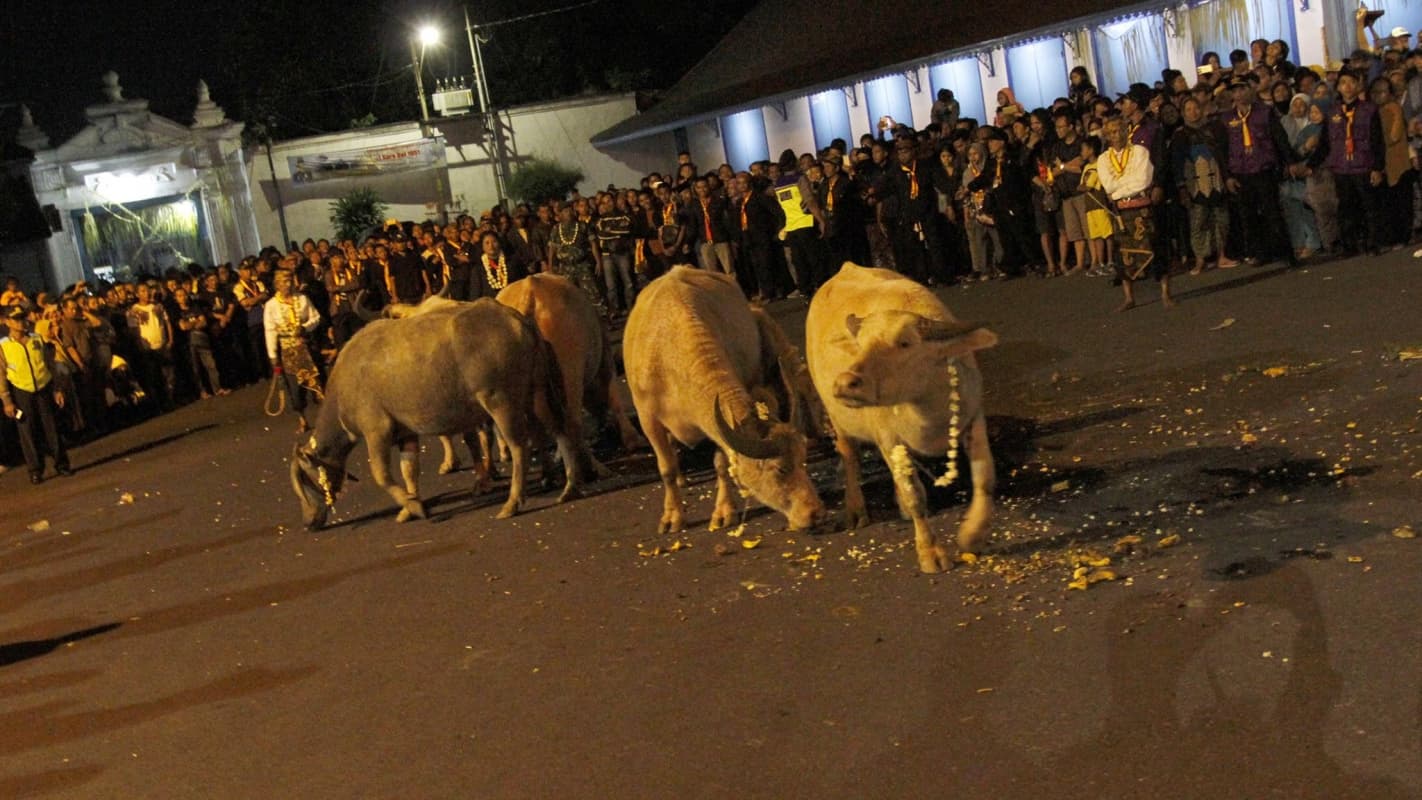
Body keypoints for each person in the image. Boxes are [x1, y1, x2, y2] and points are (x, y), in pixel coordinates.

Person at [1097, 117, 1173, 311]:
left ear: (1126, 131)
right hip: (1121, 212)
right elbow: (1108, 185)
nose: (1116, 135)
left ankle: (1165, 293)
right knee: (1123, 253)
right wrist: (1122, 188)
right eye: (1111, 132)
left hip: (1142, 207)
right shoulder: (1103, 159)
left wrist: (1119, 189)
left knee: (1155, 246)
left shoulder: (1140, 151)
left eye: (1119, 130)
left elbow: (1142, 180)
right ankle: (1129, 297)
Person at [1, 306, 71, 483]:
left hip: (43, 386)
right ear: (7, 322)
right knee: (27, 431)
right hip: (21, 390)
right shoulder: (3, 345)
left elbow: (50, 364)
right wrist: (7, 400)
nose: (21, 322)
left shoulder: (36, 339)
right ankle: (35, 470)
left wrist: (57, 389)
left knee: (51, 427)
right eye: (16, 319)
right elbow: (1, 374)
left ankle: (61, 464)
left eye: (23, 318)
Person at [264, 269, 323, 433]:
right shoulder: (271, 306)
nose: (288, 284)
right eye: (284, 281)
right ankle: (302, 420)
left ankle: (325, 419)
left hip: (307, 347)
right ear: (277, 284)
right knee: (295, 389)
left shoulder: (302, 299)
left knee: (318, 385)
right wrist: (272, 355)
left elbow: (316, 317)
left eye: (290, 281)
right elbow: (270, 331)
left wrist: (305, 327)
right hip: (288, 351)